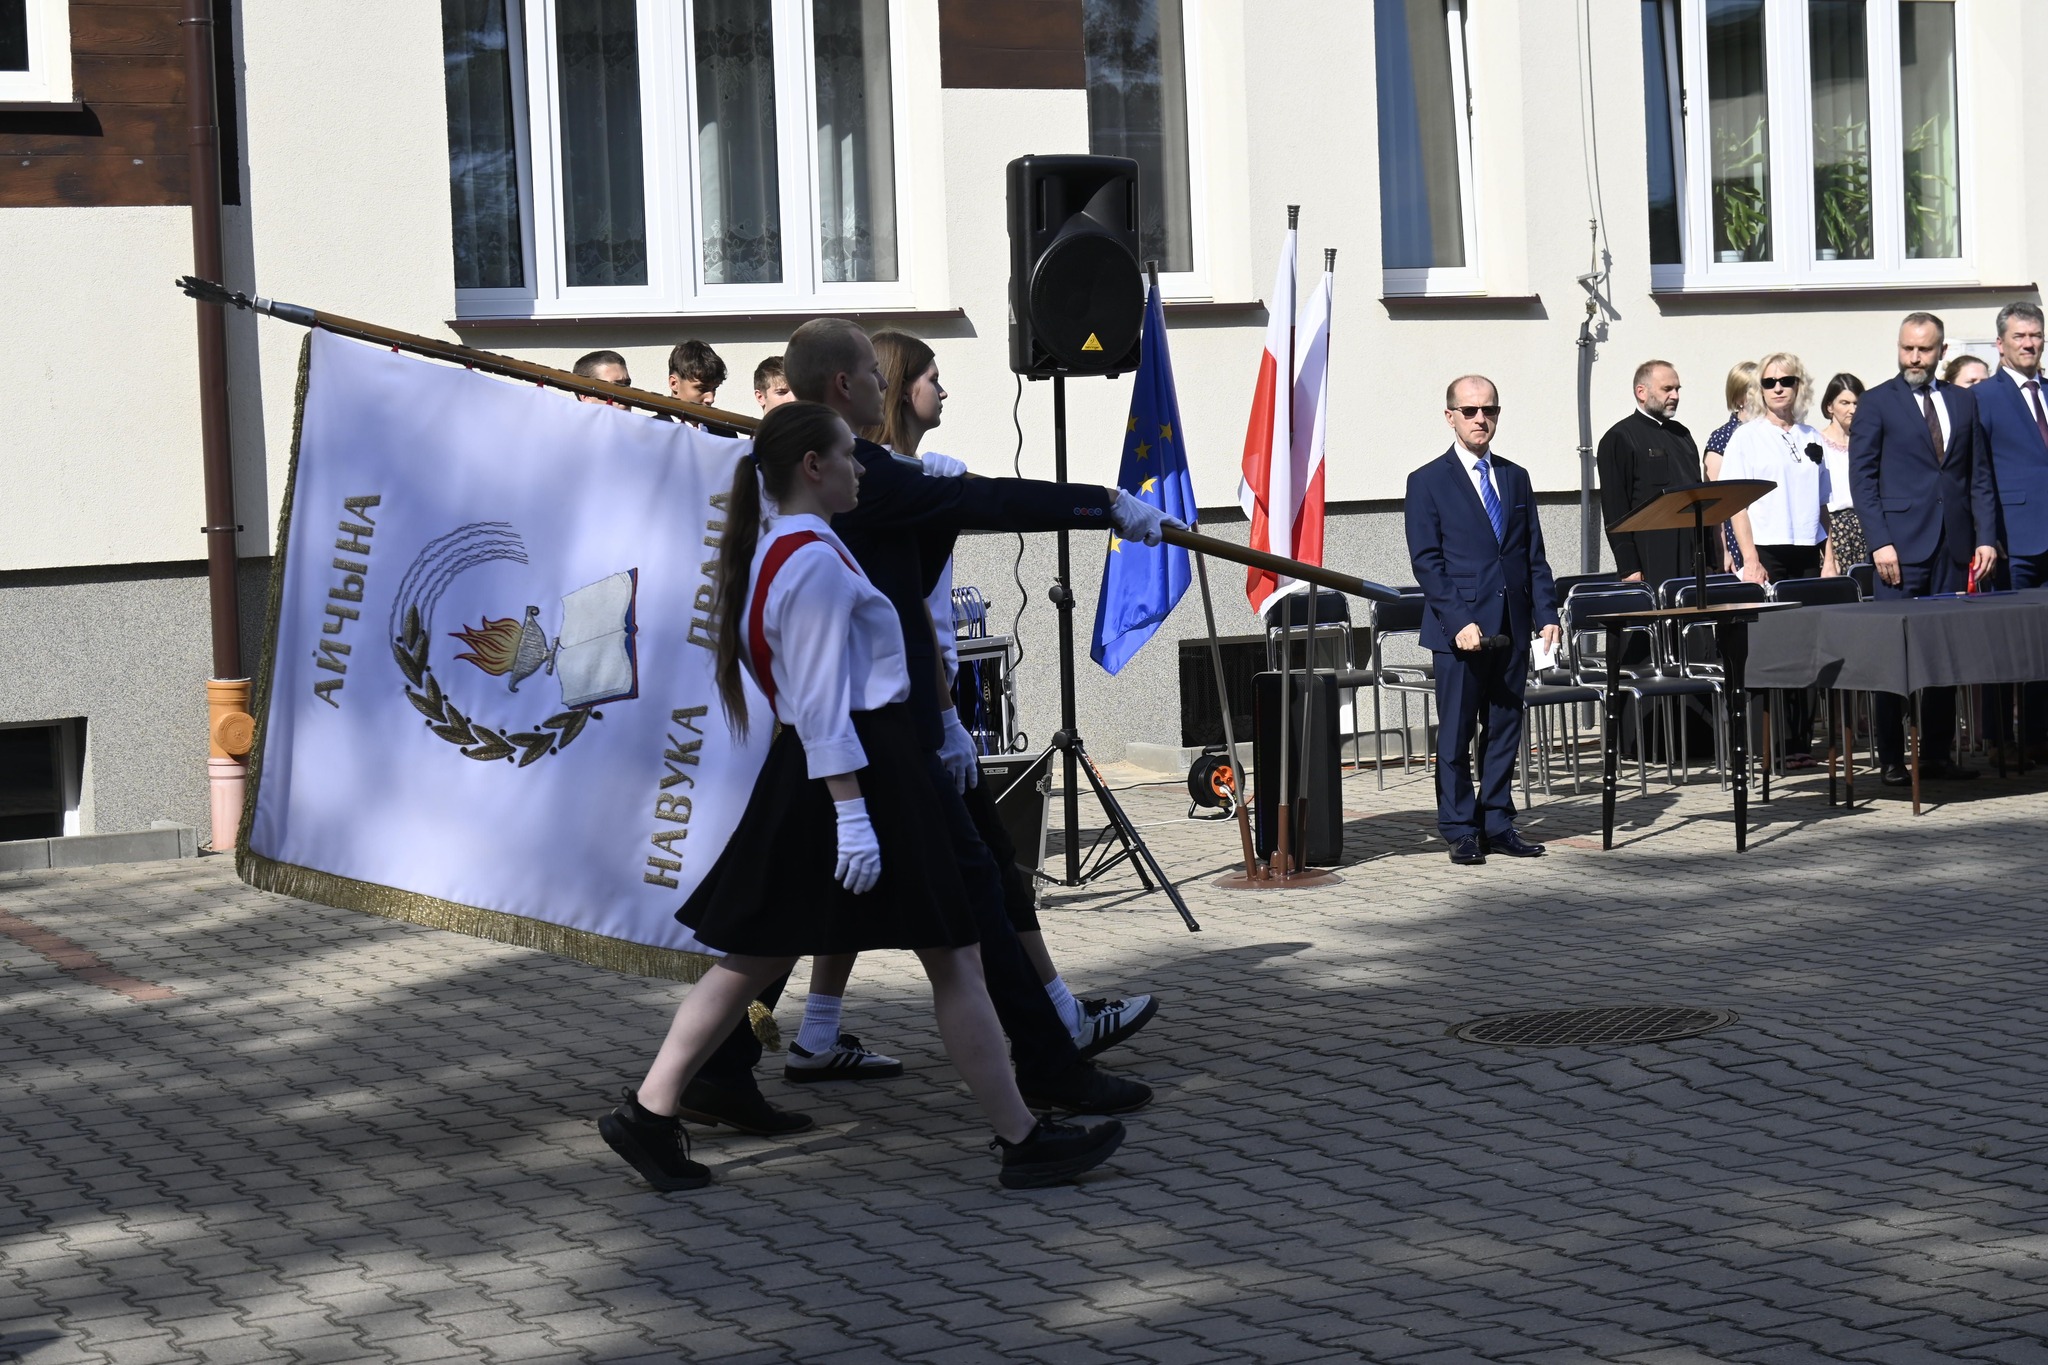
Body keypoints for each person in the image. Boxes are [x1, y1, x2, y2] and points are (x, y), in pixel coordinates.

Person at [597, 402, 1125, 1192]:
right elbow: (816, 700)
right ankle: (1020, 1136)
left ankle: (651, 1109)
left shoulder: (792, 546)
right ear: (813, 466)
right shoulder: (808, 558)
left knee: (755, 958)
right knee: (954, 952)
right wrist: (852, 813)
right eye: (849, 455)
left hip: (842, 768)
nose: (860, 467)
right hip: (859, 768)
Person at [783, 317, 1174, 1114]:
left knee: (950, 909)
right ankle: (1045, 1075)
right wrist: (1100, 503)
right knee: (940, 913)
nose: (888, 385)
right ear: (845, 388)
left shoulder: (859, 474)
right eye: (874, 371)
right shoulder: (859, 478)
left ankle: (1042, 1067)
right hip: (873, 739)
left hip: (898, 729)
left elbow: (923, 573)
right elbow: (977, 501)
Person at [1405, 376, 1561, 866]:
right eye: (1469, 411)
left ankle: (1497, 820)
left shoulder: (1514, 477)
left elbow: (1532, 553)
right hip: (1462, 632)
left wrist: (1547, 614)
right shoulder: (1427, 481)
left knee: (1503, 728)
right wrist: (1458, 621)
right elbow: (1427, 562)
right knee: (1455, 734)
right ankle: (1459, 827)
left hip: (1511, 625)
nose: (1480, 419)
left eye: (1488, 410)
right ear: (1449, 416)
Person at [1849, 311, 1999, 786]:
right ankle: (1892, 756)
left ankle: (1936, 753)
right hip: (1899, 550)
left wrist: (1986, 537)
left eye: (1924, 350)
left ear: (1941, 352)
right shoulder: (1877, 403)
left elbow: (1978, 476)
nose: (1914, 357)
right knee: (1894, 657)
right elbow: (1863, 480)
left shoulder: (1963, 402)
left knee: (1943, 653)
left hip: (1953, 549)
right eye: (1907, 348)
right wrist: (1881, 543)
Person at [1719, 353, 1831, 768]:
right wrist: (1750, 558)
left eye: (1786, 380)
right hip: (1767, 551)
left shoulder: (1810, 436)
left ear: (1799, 385)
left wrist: (1829, 557)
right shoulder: (1746, 438)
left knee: (1807, 648)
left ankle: (1802, 742)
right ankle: (1772, 745)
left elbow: (1824, 505)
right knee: (1774, 649)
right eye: (1769, 382)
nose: (1778, 387)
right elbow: (1737, 505)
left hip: (1806, 550)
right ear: (1760, 389)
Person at [1971, 302, 2048, 756]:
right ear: (2000, 344)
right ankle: (1999, 738)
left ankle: (2039, 738)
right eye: (2020, 336)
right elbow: (1977, 473)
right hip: (2012, 539)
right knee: (2009, 642)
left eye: (2036, 335)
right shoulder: (1984, 397)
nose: (2030, 344)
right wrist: (1988, 535)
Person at [1597, 360, 1702, 587]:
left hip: (1691, 560)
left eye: (1677, 389)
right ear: (1641, 392)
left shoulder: (1683, 435)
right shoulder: (1620, 438)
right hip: (1650, 562)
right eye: (1667, 389)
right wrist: (1629, 567)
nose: (1675, 396)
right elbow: (1616, 510)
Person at [1705, 361, 1761, 572]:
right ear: (1739, 397)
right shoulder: (1722, 438)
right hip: (1737, 534)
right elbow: (1716, 499)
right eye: (1755, 389)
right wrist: (1723, 550)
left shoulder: (1770, 433)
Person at [1816, 374, 1867, 576]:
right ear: (1830, 406)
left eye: (1856, 403)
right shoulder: (1817, 442)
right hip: (1833, 529)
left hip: (1864, 526)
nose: (1852, 409)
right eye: (1844, 403)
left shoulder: (1865, 442)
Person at [668, 339, 727, 407]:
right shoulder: (655, 418)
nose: (711, 399)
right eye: (702, 389)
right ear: (674, 383)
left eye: (714, 389)